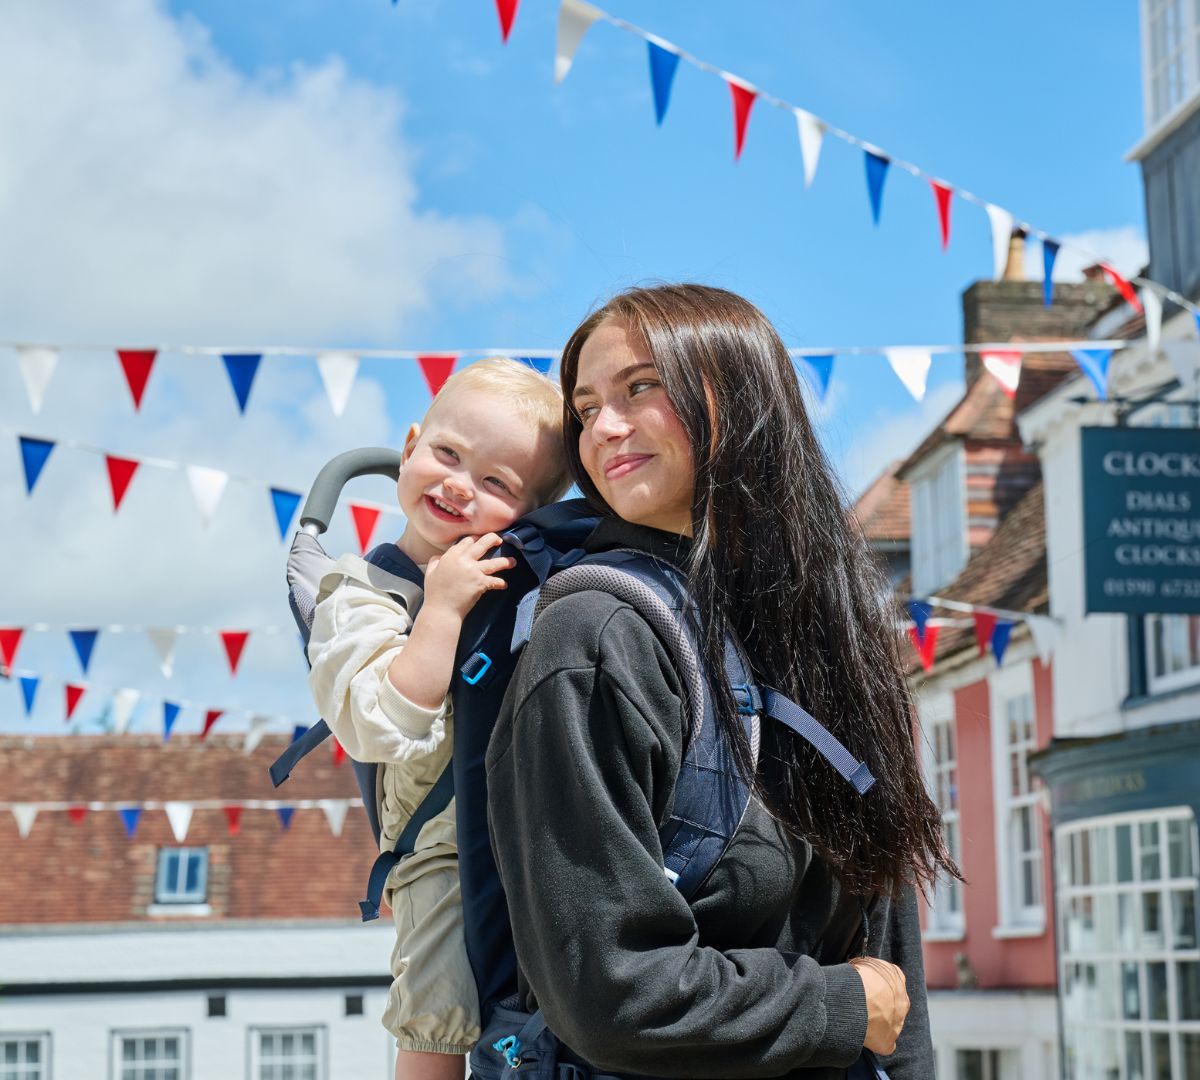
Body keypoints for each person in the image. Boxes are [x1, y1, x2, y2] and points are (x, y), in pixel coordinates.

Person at [486, 285, 958, 1078]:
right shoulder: (597, 640)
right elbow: (609, 990)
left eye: (641, 387)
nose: (604, 428)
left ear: (738, 397)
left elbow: (888, 956)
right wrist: (838, 1007)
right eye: (586, 404)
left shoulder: (830, 628)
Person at [307, 357, 571, 1080]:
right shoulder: (359, 591)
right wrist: (443, 610)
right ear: (412, 443)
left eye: (496, 484)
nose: (459, 484)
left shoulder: (532, 588)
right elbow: (374, 724)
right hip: (439, 849)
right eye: (448, 455)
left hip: (529, 833)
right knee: (439, 1009)